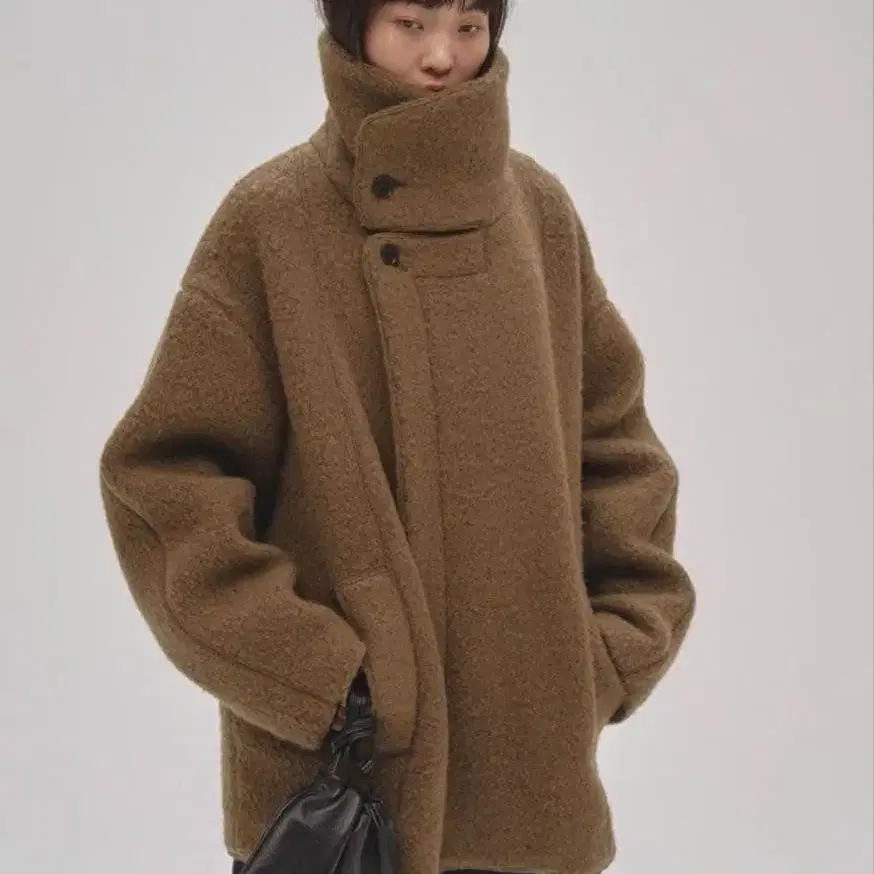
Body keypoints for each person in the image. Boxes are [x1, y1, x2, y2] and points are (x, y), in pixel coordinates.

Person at [98, 1, 697, 872]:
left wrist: (598, 656)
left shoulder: (538, 213)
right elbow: (164, 480)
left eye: (469, 24)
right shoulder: (273, 220)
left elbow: (618, 451)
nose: (443, 55)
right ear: (354, 24)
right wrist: (322, 676)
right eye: (411, 22)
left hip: (531, 784)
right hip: (341, 792)